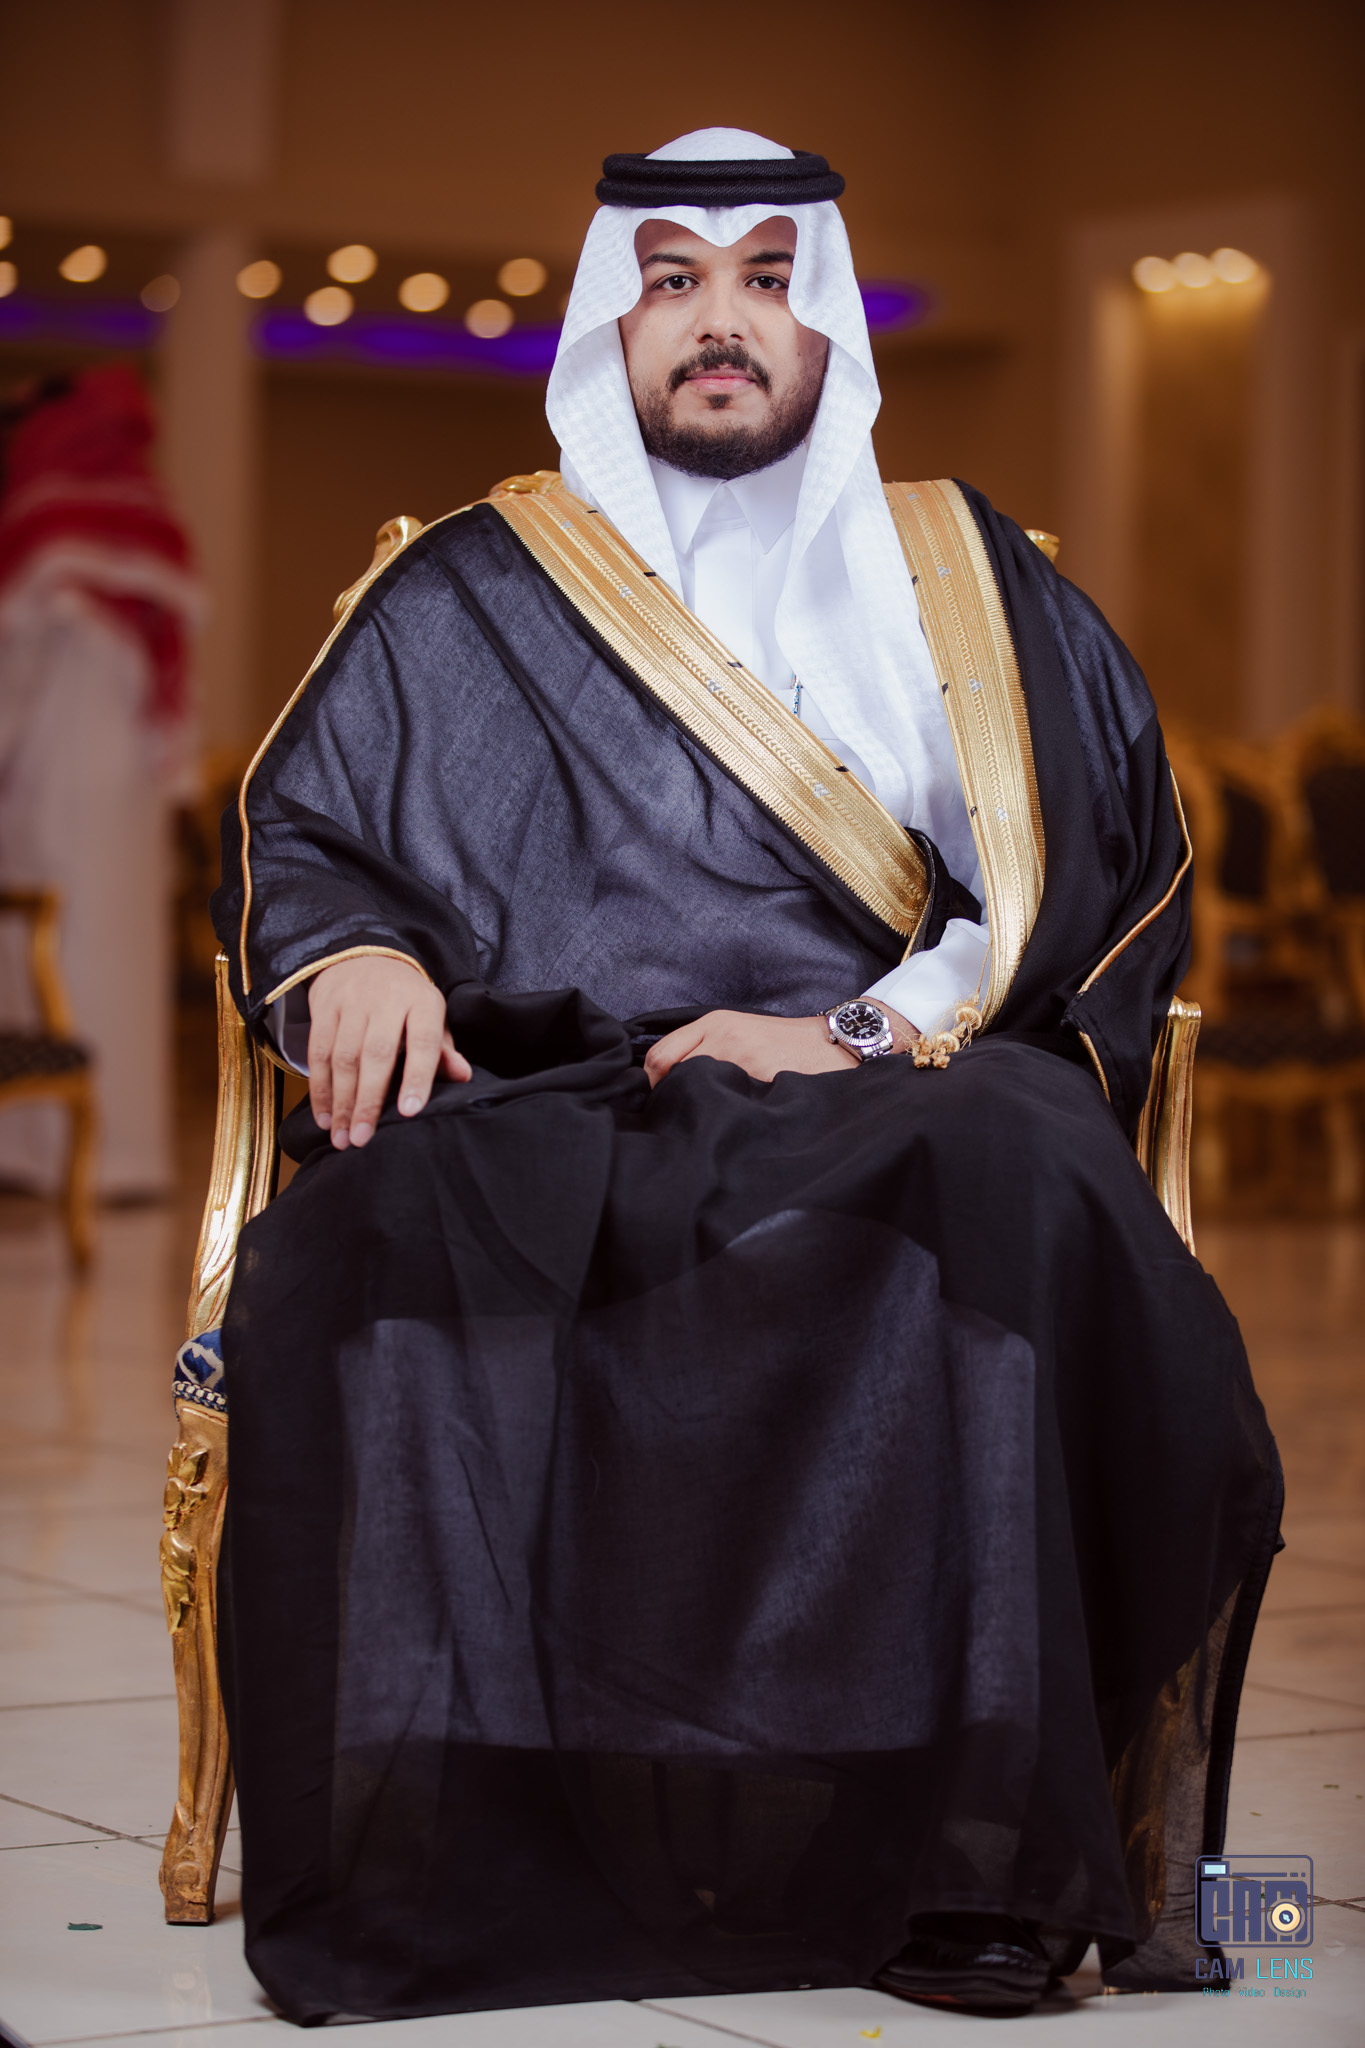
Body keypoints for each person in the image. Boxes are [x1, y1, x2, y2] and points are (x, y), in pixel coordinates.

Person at [212, 130, 1280, 2024]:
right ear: (614, 318)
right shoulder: (471, 587)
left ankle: (972, 1852)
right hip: (571, 1080)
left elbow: (1094, 864)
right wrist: (360, 950)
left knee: (1010, 1166)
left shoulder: (958, 572)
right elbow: (310, 829)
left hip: (895, 1068)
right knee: (370, 1221)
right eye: (679, 280)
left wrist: (853, 1030)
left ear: (827, 319)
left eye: (771, 278)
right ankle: (476, 1831)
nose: (725, 320)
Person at [0, 366, 200, 1200]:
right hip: (129, 788)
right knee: (118, 955)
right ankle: (124, 1158)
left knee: (43, 948)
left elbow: (14, 677)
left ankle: (38, 1157)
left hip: (48, 775)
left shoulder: (44, 521)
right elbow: (175, 675)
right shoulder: (155, 522)